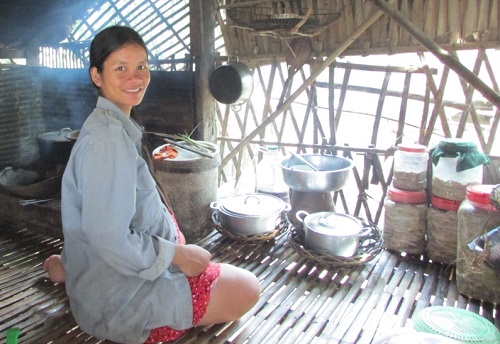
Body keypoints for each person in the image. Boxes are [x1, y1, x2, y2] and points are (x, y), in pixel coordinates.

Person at [43, 25, 260, 344]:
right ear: (97, 76)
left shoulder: (108, 124)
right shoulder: (107, 143)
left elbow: (96, 221)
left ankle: (72, 268)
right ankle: (156, 312)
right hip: (117, 304)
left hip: (104, 275)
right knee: (247, 288)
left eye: (141, 66)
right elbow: (107, 238)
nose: (136, 77)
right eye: (121, 68)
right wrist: (179, 256)